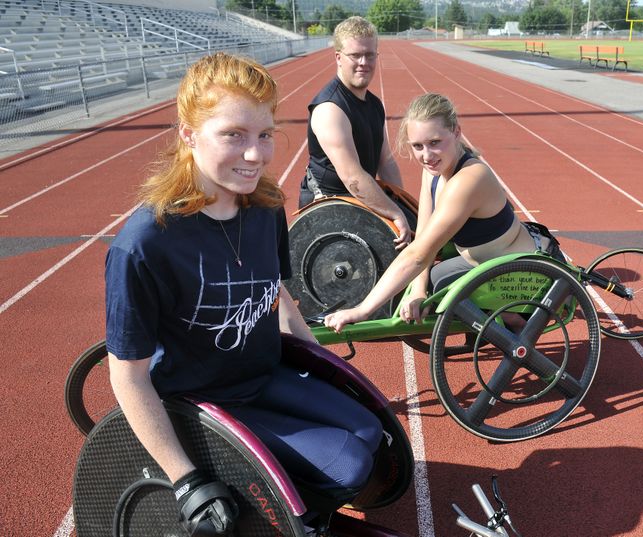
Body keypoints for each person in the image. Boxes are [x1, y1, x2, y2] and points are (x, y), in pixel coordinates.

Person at [105, 52, 382, 536]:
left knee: (370, 432)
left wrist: (321, 366)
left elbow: (277, 293)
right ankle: (271, 517)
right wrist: (186, 479)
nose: (256, 154)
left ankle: (287, 498)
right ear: (189, 135)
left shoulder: (266, 207)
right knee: (349, 465)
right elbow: (127, 377)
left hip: (261, 374)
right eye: (233, 134)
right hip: (199, 400)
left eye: (265, 135)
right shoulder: (146, 243)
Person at [324, 93, 562, 332]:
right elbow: (425, 236)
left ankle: (514, 321)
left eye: (435, 142)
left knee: (438, 289)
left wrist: (363, 310)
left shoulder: (469, 179)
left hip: (524, 277)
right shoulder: (433, 171)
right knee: (430, 282)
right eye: (417, 146)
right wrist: (418, 288)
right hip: (485, 266)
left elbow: (418, 255)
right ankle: (492, 317)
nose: (426, 156)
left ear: (456, 132)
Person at [300, 16, 411, 250]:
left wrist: (402, 204)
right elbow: (353, 178)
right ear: (338, 57)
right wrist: (395, 213)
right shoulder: (330, 109)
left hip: (358, 203)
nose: (364, 62)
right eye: (356, 55)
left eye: (370, 55)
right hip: (330, 209)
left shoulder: (374, 104)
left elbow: (386, 161)